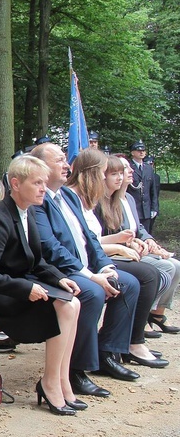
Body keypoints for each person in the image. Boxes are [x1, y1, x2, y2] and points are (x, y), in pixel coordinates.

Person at [0, 155, 82, 415]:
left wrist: (58, 277)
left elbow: (35, 261)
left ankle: (61, 380)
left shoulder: (27, 213)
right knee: (63, 308)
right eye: (37, 182)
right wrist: (25, 289)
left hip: (10, 281)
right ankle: (49, 383)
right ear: (16, 184)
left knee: (73, 303)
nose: (43, 188)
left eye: (45, 182)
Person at [31, 143, 139, 397]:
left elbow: (89, 237)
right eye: (59, 160)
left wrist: (106, 265)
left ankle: (107, 351)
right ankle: (75, 369)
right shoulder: (38, 200)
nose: (66, 165)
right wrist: (90, 275)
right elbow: (50, 247)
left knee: (130, 283)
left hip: (86, 266)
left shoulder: (67, 196)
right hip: (58, 271)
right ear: (41, 167)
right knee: (91, 293)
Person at [66, 151, 166, 369]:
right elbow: (78, 244)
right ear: (91, 173)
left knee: (144, 276)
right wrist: (115, 250)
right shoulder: (73, 200)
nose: (109, 178)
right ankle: (93, 358)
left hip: (98, 257)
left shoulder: (98, 200)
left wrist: (114, 256)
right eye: (106, 173)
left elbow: (91, 239)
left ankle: (116, 346)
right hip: (81, 263)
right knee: (138, 277)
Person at [97, 155, 180, 338]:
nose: (128, 173)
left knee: (174, 266)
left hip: (129, 248)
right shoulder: (102, 202)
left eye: (123, 171)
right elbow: (100, 237)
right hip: (112, 254)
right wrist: (127, 243)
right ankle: (138, 327)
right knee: (160, 271)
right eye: (117, 172)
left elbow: (138, 227)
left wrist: (148, 240)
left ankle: (153, 316)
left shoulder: (128, 198)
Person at [126, 140, 158, 230]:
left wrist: (154, 208)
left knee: (146, 235)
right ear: (132, 152)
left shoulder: (148, 168)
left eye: (143, 150)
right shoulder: (128, 167)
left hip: (146, 210)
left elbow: (153, 190)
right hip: (133, 208)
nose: (142, 152)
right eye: (139, 150)